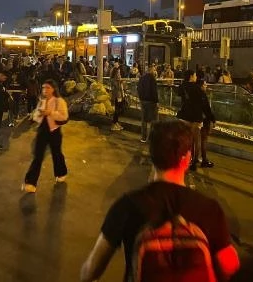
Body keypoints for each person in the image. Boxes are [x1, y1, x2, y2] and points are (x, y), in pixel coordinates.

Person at [80, 120, 240, 282]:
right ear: (187, 158)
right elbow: (229, 267)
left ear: (152, 155)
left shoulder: (127, 205)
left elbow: (91, 270)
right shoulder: (209, 209)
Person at [22, 79, 68, 193]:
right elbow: (37, 116)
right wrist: (38, 115)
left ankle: (61, 173)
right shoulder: (42, 101)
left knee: (56, 154)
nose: (45, 90)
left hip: (55, 132)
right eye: (43, 88)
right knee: (38, 156)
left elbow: (64, 116)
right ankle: (31, 182)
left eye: (47, 87)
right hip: (42, 131)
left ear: (53, 89)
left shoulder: (59, 101)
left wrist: (50, 113)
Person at [176, 69, 204, 171]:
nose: (196, 77)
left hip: (183, 116)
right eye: (195, 75)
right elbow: (201, 103)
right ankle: (194, 160)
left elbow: (179, 98)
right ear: (191, 76)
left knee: (183, 139)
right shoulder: (197, 88)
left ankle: (182, 158)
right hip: (195, 117)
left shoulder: (182, 86)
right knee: (195, 141)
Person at [137, 65, 158, 143]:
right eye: (154, 69)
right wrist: (156, 101)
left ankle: (143, 137)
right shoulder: (152, 79)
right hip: (152, 102)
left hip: (143, 101)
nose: (154, 70)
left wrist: (141, 98)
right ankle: (151, 137)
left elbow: (138, 88)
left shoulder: (142, 78)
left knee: (144, 120)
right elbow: (154, 91)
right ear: (151, 70)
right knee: (153, 120)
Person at [199, 80, 216, 168]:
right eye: (205, 85)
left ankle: (194, 158)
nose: (206, 86)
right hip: (204, 120)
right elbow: (207, 109)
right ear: (201, 86)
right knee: (203, 140)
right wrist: (213, 120)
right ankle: (204, 159)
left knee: (197, 140)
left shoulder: (194, 94)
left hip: (196, 119)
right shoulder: (202, 95)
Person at [110, 62, 125, 131]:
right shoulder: (114, 80)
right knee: (116, 110)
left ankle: (116, 123)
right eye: (118, 73)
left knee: (118, 110)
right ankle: (114, 124)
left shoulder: (117, 79)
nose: (119, 74)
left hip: (119, 95)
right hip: (116, 96)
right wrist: (120, 82)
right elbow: (116, 87)